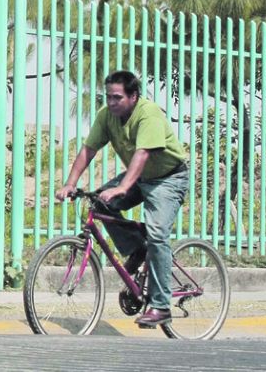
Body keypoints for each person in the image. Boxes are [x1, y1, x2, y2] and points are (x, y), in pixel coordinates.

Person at [55, 70, 189, 328]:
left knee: (157, 235)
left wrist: (123, 187)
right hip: (140, 176)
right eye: (108, 97)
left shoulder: (148, 114)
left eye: (117, 97)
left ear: (133, 96)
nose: (111, 102)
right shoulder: (107, 116)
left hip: (168, 179)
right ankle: (138, 249)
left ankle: (161, 306)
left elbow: (142, 153)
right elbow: (88, 149)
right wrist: (70, 183)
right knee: (99, 202)